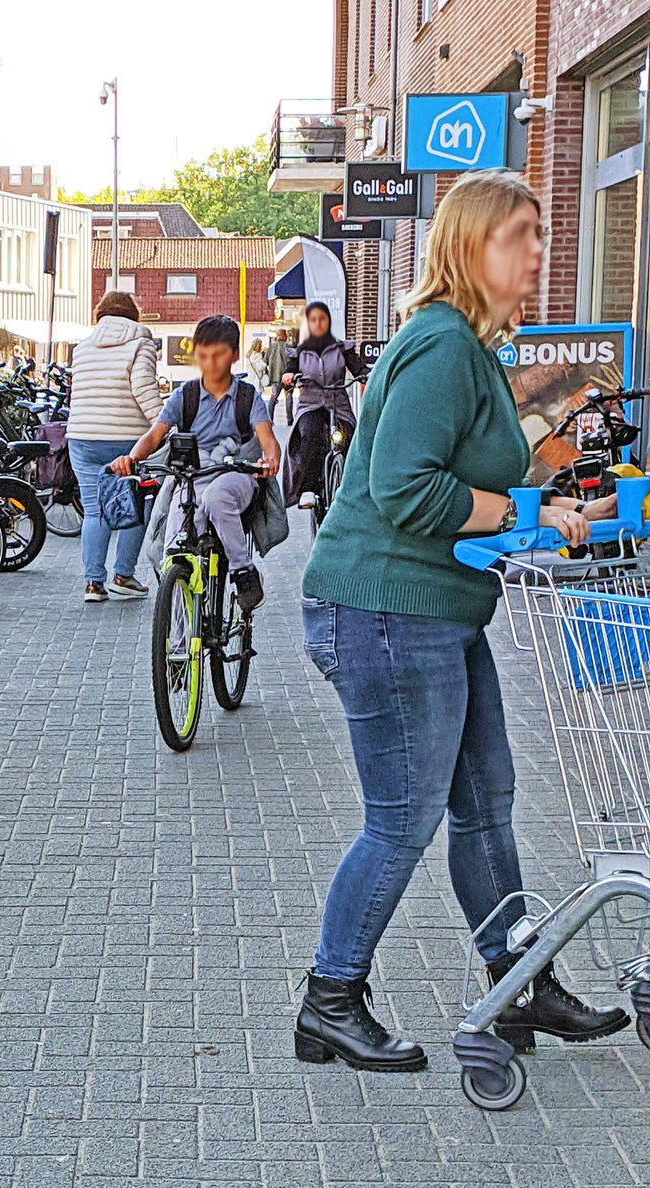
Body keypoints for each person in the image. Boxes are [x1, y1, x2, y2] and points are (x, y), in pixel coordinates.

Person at [294, 170, 629, 1072]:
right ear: (471, 245)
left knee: (485, 804)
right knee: (401, 819)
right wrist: (521, 515)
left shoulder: (473, 350)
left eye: (541, 236)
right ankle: (330, 999)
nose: (537, 252)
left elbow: (477, 485)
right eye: (521, 234)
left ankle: (516, 983)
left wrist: (567, 511)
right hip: (384, 610)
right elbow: (407, 489)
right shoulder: (441, 345)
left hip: (434, 611)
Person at [110, 315, 281, 613]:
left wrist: (271, 458)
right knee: (173, 546)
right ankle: (177, 643)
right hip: (193, 478)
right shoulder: (184, 395)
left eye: (219, 355)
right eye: (204, 355)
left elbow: (267, 437)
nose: (211, 363)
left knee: (217, 498)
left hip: (236, 475)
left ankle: (243, 572)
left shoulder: (247, 397)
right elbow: (154, 435)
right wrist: (132, 457)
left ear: (234, 355)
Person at [66, 291, 162, 602]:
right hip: (126, 438)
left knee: (95, 511)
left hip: (82, 436)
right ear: (133, 314)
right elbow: (143, 387)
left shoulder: (82, 348)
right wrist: (164, 424)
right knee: (133, 508)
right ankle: (124, 575)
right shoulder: (140, 343)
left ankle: (93, 584)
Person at [281, 302, 367, 508]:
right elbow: (288, 371)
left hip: (337, 403)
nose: (318, 323)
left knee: (351, 438)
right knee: (311, 434)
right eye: (313, 320)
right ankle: (308, 488)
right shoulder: (299, 351)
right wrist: (288, 376)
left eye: (322, 319)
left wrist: (367, 376)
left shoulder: (342, 348)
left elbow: (358, 368)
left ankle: (353, 490)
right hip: (310, 404)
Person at [265, 328, 292, 424]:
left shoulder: (271, 347)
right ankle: (289, 420)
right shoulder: (288, 347)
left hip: (275, 377)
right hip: (287, 377)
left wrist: (269, 374)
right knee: (288, 397)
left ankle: (269, 419)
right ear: (284, 336)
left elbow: (265, 362)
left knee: (273, 398)